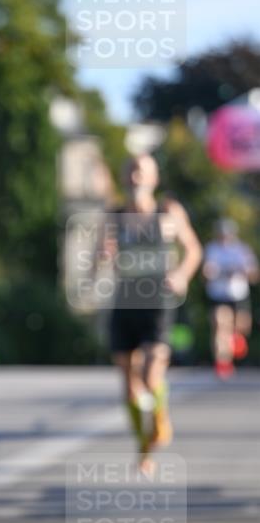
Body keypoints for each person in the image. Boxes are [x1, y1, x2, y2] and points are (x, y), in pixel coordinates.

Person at [100, 155, 202, 474]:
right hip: (124, 301)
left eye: (141, 171)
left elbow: (194, 249)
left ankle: (160, 419)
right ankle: (144, 450)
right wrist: (102, 258)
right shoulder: (114, 217)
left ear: (154, 179)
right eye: (130, 170)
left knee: (151, 374)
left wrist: (182, 275)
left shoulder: (168, 212)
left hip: (157, 301)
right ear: (122, 177)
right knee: (129, 385)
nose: (135, 177)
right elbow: (96, 256)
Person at [202, 219, 258, 379]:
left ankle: (235, 340)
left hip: (238, 294)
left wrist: (244, 271)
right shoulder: (212, 249)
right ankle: (223, 363)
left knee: (241, 328)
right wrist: (209, 272)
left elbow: (253, 275)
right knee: (220, 325)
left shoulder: (241, 250)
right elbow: (206, 272)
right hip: (219, 295)